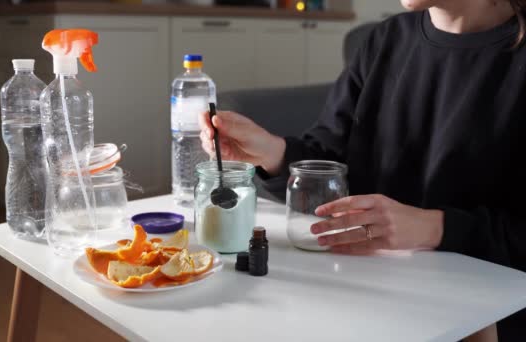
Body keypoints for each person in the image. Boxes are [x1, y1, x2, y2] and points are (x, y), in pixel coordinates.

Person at [198, 0, 526, 340]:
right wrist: (272, 152)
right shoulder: (386, 40)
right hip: (362, 291)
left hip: (482, 312)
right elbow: (329, 162)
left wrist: (435, 227)